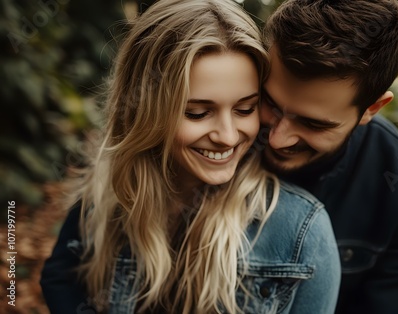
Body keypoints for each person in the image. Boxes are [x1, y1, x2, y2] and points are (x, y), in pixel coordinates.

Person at [39, 0, 341, 313]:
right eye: (197, 113)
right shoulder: (107, 193)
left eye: (245, 109)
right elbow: (60, 280)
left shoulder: (301, 232)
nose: (227, 135)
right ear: (145, 110)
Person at [260, 0, 398, 313]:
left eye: (313, 123)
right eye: (270, 102)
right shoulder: (214, 136)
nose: (277, 138)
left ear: (372, 108)